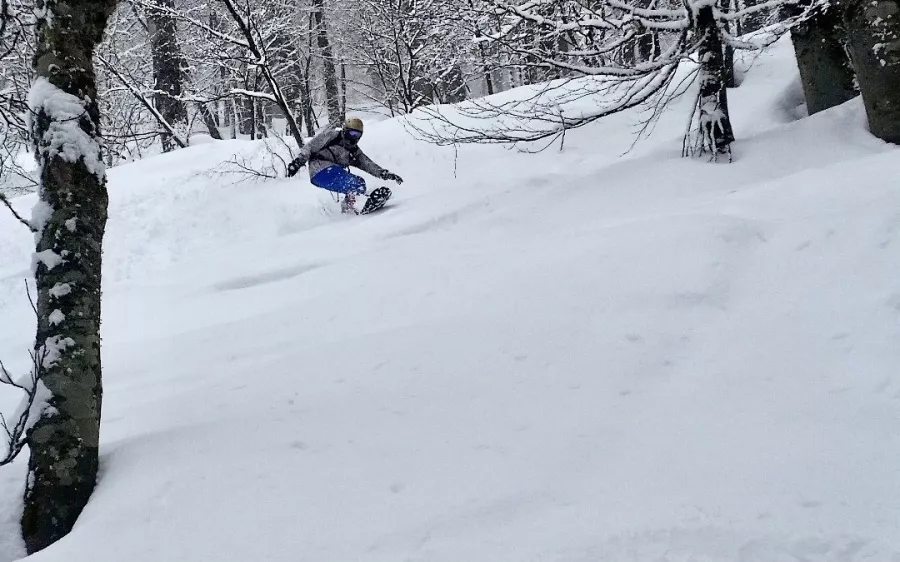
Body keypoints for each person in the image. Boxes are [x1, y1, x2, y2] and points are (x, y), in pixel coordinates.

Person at [287, 118, 403, 213]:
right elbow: (310, 147)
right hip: (320, 170)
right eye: (351, 133)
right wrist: (298, 162)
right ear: (344, 131)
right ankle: (359, 206)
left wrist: (385, 174)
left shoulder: (354, 151)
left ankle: (348, 211)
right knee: (354, 184)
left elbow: (367, 164)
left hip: (333, 171)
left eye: (357, 134)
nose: (354, 137)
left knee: (360, 183)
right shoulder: (332, 136)